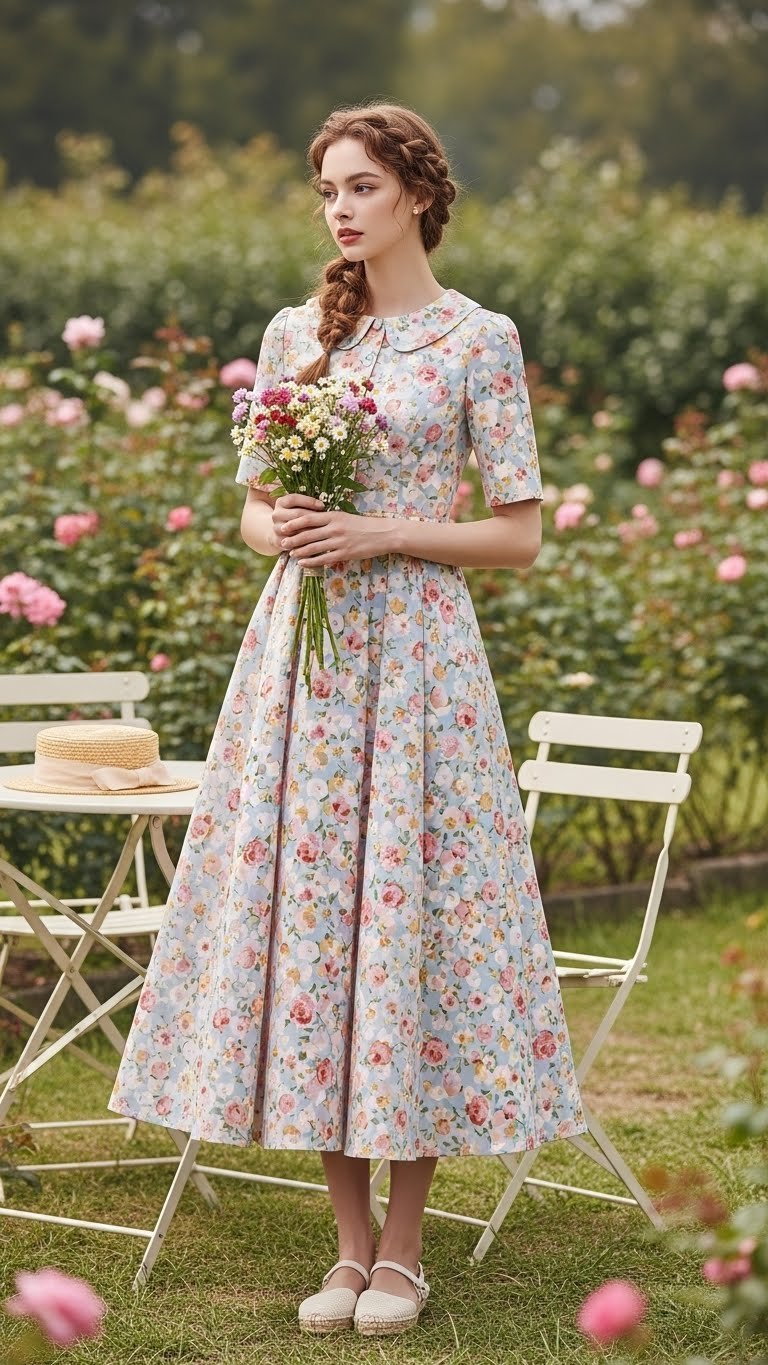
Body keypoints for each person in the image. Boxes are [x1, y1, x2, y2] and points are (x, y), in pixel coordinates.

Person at [107, 100, 588, 1337]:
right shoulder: (295, 336)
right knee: (319, 931)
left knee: (406, 923)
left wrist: (382, 531)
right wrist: (301, 532)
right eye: (328, 187)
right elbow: (258, 511)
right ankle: (347, 1246)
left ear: (418, 195)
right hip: (305, 667)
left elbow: (520, 535)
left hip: (423, 662)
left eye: (363, 185)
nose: (340, 206)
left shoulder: (480, 342)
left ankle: (408, 1255)